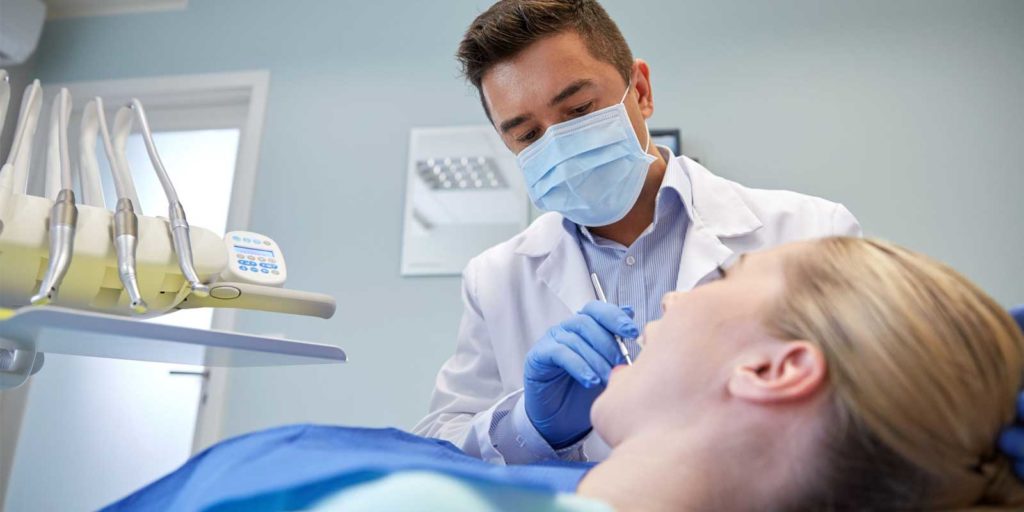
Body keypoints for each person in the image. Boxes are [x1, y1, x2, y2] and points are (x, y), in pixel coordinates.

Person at [107, 237, 1024, 511]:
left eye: (727, 276)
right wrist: (530, 428)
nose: (670, 302)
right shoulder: (501, 270)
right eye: (520, 129)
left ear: (778, 366)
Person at [412, 0, 863, 465]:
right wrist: (531, 424)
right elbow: (440, 444)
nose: (559, 146)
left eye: (579, 109)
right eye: (527, 135)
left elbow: (875, 413)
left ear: (641, 90)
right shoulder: (495, 279)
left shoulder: (812, 233)